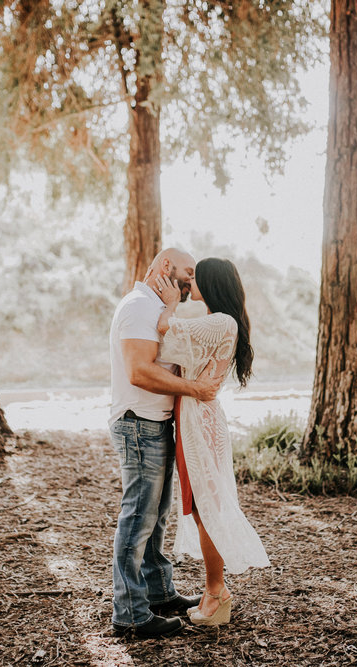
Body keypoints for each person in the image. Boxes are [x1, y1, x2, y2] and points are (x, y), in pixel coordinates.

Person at [108, 248, 223, 639]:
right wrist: (196, 388)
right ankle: (130, 614)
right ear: (163, 268)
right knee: (139, 517)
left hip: (154, 424)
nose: (192, 282)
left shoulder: (155, 309)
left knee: (155, 516)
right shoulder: (139, 307)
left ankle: (157, 594)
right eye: (187, 273)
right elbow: (139, 372)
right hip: (138, 423)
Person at [153, 257, 270, 627]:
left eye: (196, 276)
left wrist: (170, 304)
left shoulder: (220, 321)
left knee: (205, 505)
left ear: (212, 283)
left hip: (198, 421)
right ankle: (213, 591)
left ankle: (216, 592)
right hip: (199, 416)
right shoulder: (220, 322)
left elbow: (165, 336)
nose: (190, 280)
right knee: (203, 504)